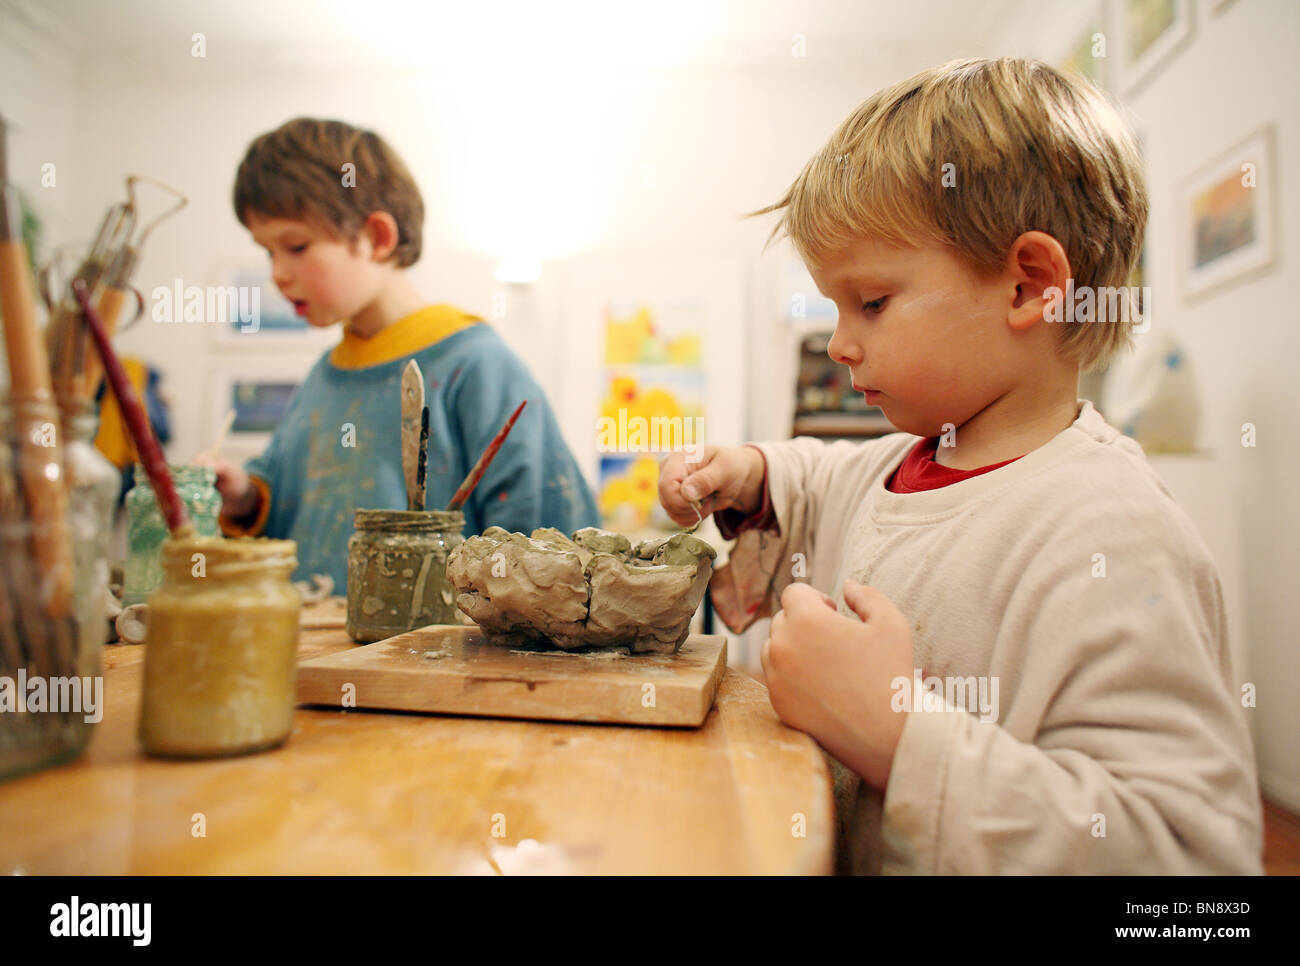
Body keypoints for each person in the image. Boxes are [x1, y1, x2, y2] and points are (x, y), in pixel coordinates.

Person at [659, 58, 1261, 874]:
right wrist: (747, 469)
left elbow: (1186, 861)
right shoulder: (900, 463)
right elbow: (819, 479)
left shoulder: (1114, 531)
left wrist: (897, 730)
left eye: (870, 303)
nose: (839, 343)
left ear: (1028, 286)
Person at [208, 117, 598, 587]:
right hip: (312, 649)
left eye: (295, 246)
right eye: (267, 252)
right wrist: (244, 496)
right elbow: (285, 501)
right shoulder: (324, 376)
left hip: (432, 657)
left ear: (377, 237)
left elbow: (552, 540)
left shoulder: (476, 365)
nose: (278, 274)